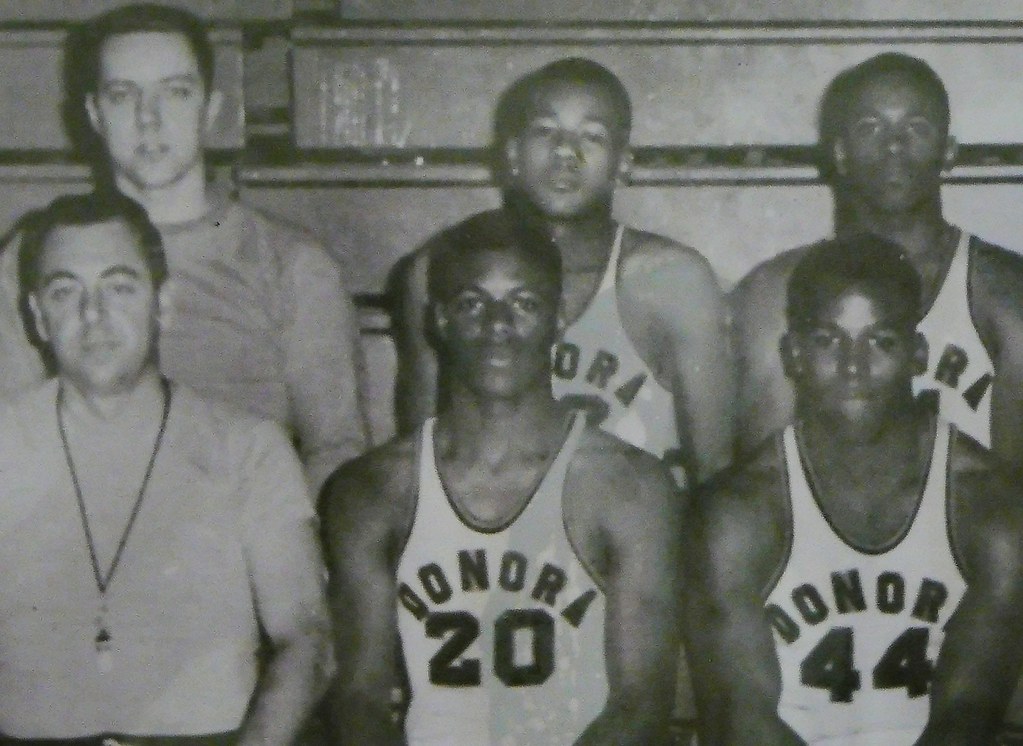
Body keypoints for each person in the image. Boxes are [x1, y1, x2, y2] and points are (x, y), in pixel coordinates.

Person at [322, 211, 683, 745]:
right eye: (472, 303)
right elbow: (360, 697)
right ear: (439, 320)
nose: (498, 325)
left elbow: (640, 706)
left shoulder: (630, 488)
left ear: (559, 318)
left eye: (524, 303)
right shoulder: (371, 492)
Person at [0, 192, 332, 744]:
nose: (93, 315)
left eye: (119, 287)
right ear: (36, 315)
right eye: (66, 291)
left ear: (164, 303)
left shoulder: (245, 448)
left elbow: (308, 640)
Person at [0, 3, 367, 490]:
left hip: (238, 535)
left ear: (211, 110)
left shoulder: (289, 262)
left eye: (175, 93)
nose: (148, 119)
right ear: (94, 114)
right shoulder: (34, 254)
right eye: (122, 95)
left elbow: (336, 454)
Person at [684, 236, 1023, 745]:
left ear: (917, 355)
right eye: (827, 341)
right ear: (793, 355)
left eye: (880, 341)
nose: (853, 367)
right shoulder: (737, 513)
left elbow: (968, 713)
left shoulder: (989, 504)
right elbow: (742, 719)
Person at [392, 57, 733, 486]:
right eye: (545, 131)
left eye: (592, 135)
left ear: (623, 163)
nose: (566, 153)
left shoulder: (671, 280)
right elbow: (419, 459)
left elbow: (716, 472)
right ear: (512, 155)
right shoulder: (437, 270)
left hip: (636, 537)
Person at [730, 52, 1023, 468]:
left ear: (949, 152)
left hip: (963, 528)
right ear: (840, 153)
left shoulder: (1004, 289)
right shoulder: (774, 292)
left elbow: (1014, 495)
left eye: (916, 127)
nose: (894, 145)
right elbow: (764, 487)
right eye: (871, 128)